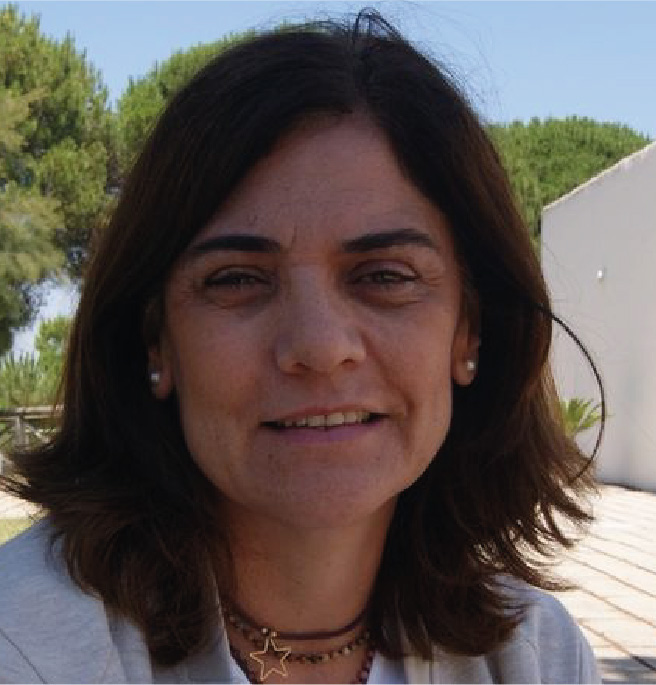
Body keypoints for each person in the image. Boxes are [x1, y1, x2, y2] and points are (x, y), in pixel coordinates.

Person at [0, 10, 604, 684]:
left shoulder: (536, 655)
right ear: (155, 340)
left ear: (469, 332)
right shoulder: (23, 649)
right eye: (236, 279)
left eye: (385, 276)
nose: (319, 346)